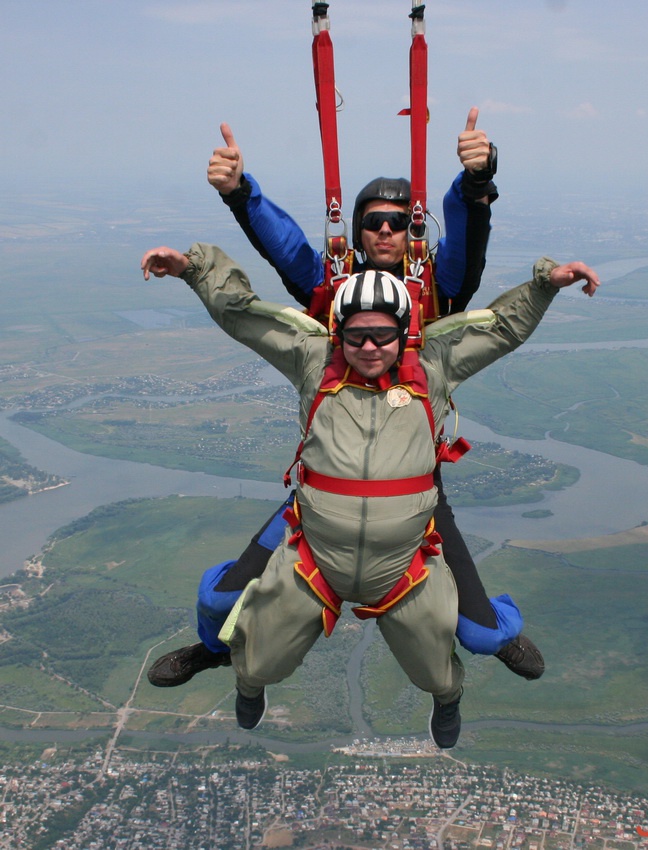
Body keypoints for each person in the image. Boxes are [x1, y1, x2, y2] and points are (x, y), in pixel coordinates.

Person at [145, 110, 546, 692]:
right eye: (372, 222)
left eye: (398, 222)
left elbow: (466, 249)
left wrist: (476, 183)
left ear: (413, 231)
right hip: (325, 491)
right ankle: (212, 650)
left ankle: (495, 635)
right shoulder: (332, 293)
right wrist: (239, 194)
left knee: (481, 631)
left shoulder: (437, 290)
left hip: (413, 494)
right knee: (222, 597)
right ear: (356, 233)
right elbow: (285, 249)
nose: (384, 231)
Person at [140, 242, 599, 747]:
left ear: (403, 332)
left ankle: (451, 694)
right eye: (356, 334)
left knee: (440, 669)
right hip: (314, 549)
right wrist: (193, 269)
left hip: (405, 559)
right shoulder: (314, 361)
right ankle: (242, 680)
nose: (370, 347)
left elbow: (501, 329)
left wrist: (544, 285)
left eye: (383, 334)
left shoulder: (432, 367)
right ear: (339, 333)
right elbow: (245, 318)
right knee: (256, 657)